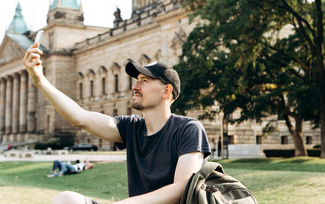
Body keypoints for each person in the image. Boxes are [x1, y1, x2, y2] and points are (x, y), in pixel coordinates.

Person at [23, 41, 211, 204]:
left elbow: (181, 190)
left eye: (144, 80)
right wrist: (40, 80)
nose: (135, 87)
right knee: (66, 199)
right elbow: (80, 118)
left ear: (166, 91)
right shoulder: (131, 127)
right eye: (137, 80)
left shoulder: (188, 129)